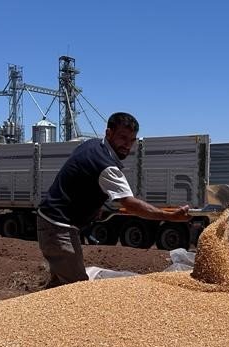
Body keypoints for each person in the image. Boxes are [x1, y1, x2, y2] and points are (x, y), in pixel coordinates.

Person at [37, 112, 191, 288]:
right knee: (77, 288)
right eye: (123, 138)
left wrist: (94, 206)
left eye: (132, 140)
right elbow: (130, 204)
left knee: (60, 284)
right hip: (58, 227)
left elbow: (81, 178)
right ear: (109, 133)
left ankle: (39, 304)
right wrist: (170, 216)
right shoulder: (106, 165)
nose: (127, 145)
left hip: (52, 221)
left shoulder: (92, 145)